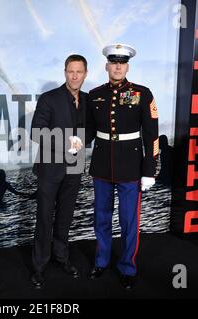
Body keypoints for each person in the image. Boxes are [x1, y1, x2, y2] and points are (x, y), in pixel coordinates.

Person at [85, 44, 159, 290]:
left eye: (122, 63)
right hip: (102, 166)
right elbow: (88, 131)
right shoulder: (94, 94)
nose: (117, 66)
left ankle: (127, 267)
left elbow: (152, 135)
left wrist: (150, 170)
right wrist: (76, 140)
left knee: (129, 221)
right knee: (101, 218)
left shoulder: (142, 93)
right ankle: (101, 261)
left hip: (131, 168)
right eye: (113, 62)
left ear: (127, 66)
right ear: (106, 65)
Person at [30, 54, 88, 289]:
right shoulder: (49, 98)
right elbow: (36, 132)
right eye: (70, 71)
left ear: (86, 73)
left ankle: (62, 258)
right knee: (44, 218)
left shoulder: (87, 100)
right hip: (49, 167)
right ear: (65, 72)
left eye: (79, 71)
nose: (74, 75)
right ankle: (39, 267)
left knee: (65, 217)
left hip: (75, 167)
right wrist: (66, 142)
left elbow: (89, 131)